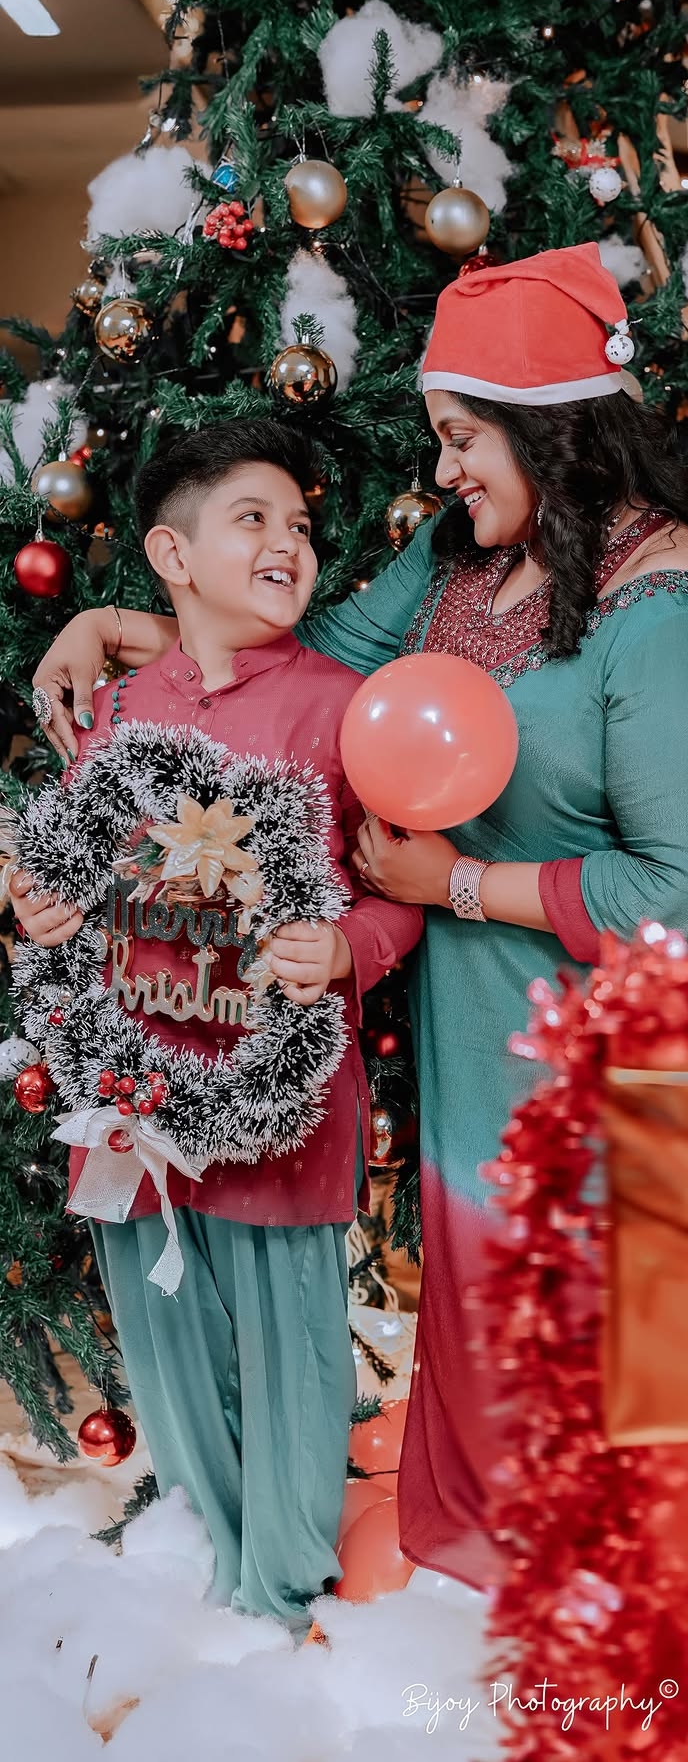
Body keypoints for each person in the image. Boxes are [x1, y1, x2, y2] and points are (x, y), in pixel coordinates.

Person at [32, 243, 688, 1590]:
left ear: (548, 424)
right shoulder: (462, 566)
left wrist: (460, 887)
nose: (442, 471)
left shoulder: (672, 614)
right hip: (477, 1049)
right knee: (493, 1361)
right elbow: (299, 660)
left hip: (602, 1075)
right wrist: (114, 621)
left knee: (596, 1390)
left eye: (462, 438)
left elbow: (685, 898)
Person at [13, 421, 422, 1628]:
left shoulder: (343, 710)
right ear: (173, 556)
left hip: (276, 1097)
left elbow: (401, 896)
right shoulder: (116, 710)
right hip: (133, 1095)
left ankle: (285, 1598)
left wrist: (345, 947)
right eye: (254, 518)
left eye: (300, 524)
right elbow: (79, 876)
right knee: (166, 1347)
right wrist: (45, 908)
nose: (290, 540)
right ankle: (212, 1597)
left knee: (292, 1355)